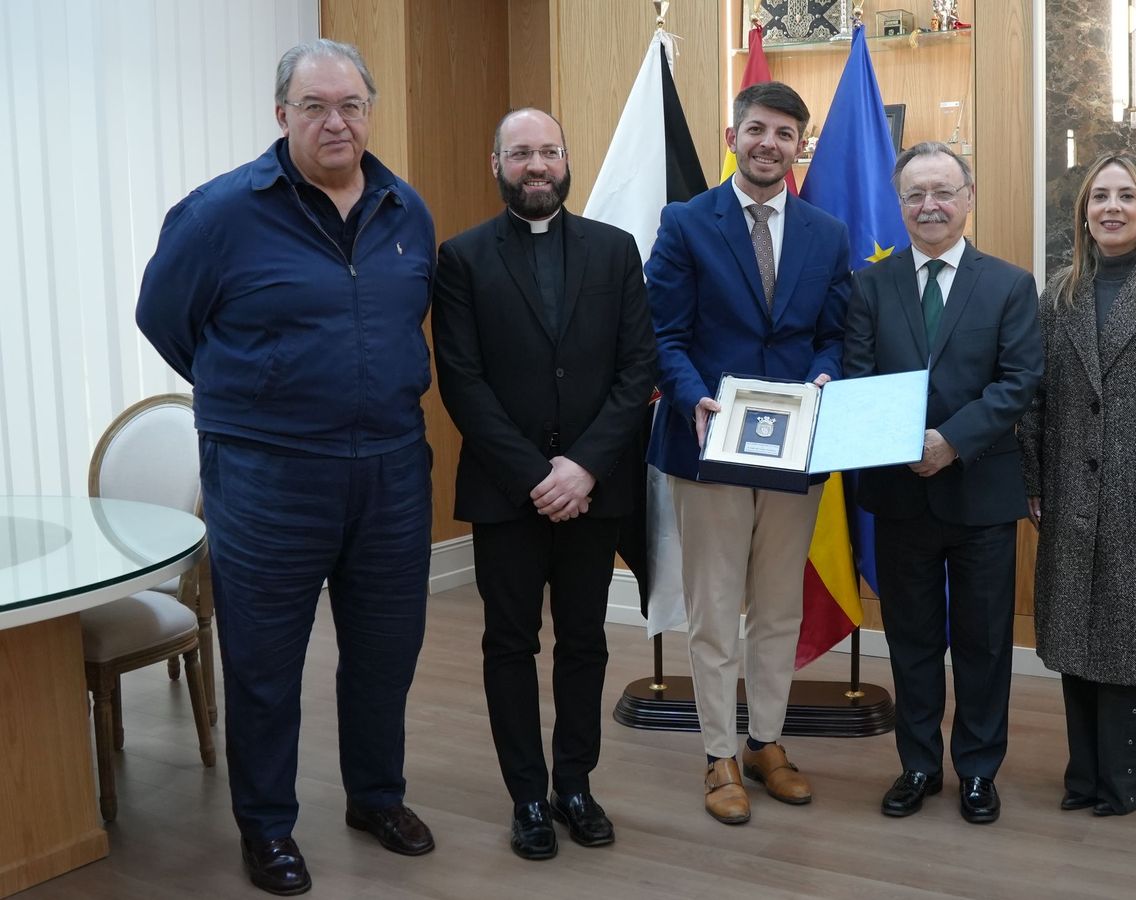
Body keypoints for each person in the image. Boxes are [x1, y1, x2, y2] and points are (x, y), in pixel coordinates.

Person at [135, 39, 438, 895]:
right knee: (266, 663)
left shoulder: (404, 209)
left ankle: (376, 795)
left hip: (388, 472)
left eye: (350, 105)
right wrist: (257, 390)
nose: (336, 122)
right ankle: (266, 828)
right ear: (283, 116)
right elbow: (164, 319)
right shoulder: (219, 213)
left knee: (386, 652)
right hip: (270, 478)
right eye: (315, 107)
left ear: (368, 112)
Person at [431, 109, 656, 860]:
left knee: (586, 643)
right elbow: (462, 383)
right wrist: (539, 476)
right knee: (509, 644)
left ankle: (576, 785)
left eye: (548, 152)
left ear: (567, 160)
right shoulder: (460, 258)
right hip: (508, 492)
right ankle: (527, 795)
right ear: (496, 162)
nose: (536, 165)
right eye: (521, 152)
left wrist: (584, 466)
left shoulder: (616, 250)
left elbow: (637, 370)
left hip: (596, 489)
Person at [645, 81, 852, 825]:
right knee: (712, 608)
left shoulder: (827, 234)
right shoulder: (685, 222)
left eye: (785, 133)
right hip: (707, 445)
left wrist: (827, 373)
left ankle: (766, 742)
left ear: (801, 146)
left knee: (777, 607)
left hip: (795, 448)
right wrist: (693, 393)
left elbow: (832, 331)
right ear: (731, 136)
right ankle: (718, 755)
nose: (770, 143)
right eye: (756, 129)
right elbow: (662, 332)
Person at [843, 142, 1043, 825]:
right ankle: (919, 764)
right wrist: (905, 445)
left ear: (969, 197)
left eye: (943, 191)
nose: (930, 205)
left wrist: (948, 441)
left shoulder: (1010, 285)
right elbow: (859, 376)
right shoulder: (869, 284)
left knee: (984, 641)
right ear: (899, 205)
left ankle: (979, 770)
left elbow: (1018, 384)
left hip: (981, 493)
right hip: (900, 495)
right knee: (912, 638)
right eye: (915, 195)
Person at [1017, 152, 1136, 818]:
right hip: (1069, 496)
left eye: (1126, 195)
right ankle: (1083, 778)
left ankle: (1126, 783)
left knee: (1131, 644)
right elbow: (1035, 397)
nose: (1112, 207)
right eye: (1100, 196)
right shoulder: (1061, 292)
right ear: (1084, 212)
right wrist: (1034, 480)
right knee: (1076, 638)